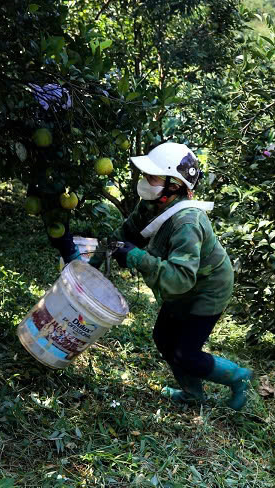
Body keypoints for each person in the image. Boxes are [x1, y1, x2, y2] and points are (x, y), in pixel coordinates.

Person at [89, 142, 251, 410]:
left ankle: (239, 378)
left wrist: (136, 257)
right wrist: (92, 265)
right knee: (164, 337)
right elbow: (125, 233)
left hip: (209, 287)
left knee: (185, 353)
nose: (144, 181)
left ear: (174, 185)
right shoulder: (153, 204)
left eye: (151, 176)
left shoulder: (187, 222)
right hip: (185, 281)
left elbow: (179, 279)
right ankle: (192, 394)